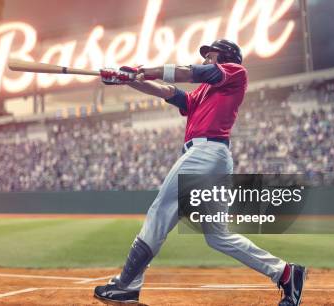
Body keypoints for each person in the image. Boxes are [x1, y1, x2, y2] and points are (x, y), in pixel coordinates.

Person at [94, 39, 307, 306]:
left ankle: (127, 285)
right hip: (212, 159)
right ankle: (286, 273)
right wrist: (129, 80)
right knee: (218, 236)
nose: (207, 59)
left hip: (205, 155)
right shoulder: (204, 93)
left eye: (211, 55)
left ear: (227, 57)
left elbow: (190, 72)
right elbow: (168, 92)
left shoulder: (235, 73)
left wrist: (143, 70)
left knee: (160, 213)